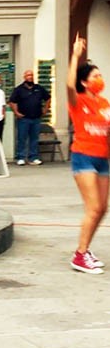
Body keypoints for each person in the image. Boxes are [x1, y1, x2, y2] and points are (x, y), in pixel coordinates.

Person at [67, 35, 110, 274]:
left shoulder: (104, 103)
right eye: (95, 76)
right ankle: (80, 255)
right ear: (85, 82)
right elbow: (70, 86)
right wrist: (75, 56)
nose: (99, 79)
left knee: (103, 208)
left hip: (102, 157)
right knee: (93, 207)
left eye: (100, 75)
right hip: (83, 156)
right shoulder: (78, 100)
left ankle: (86, 249)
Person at [9, 69, 51, 166]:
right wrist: (16, 112)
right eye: (28, 75)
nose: (30, 77)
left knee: (34, 138)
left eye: (31, 75)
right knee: (22, 138)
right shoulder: (19, 89)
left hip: (36, 118)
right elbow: (12, 101)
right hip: (24, 118)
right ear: (24, 77)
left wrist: (45, 109)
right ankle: (21, 157)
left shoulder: (39, 88)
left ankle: (33, 157)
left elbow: (48, 98)